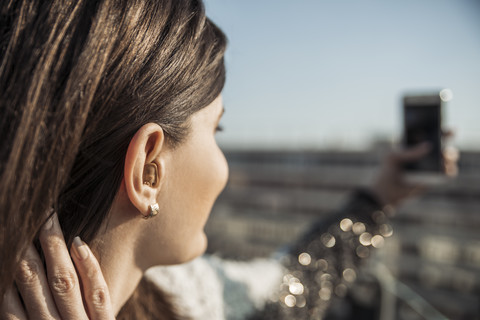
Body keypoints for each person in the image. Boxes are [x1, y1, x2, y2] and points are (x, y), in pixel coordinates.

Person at [0, 0, 457, 319]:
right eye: (217, 130)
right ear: (148, 170)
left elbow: (293, 282)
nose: (224, 165)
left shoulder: (182, 294)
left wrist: (382, 196)